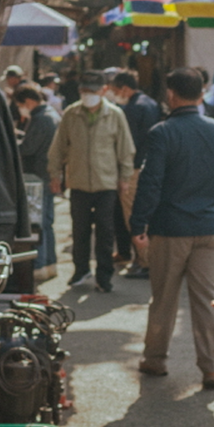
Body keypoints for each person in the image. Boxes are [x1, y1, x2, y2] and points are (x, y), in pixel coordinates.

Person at [131, 67, 214, 389]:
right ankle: (213, 368)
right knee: (207, 300)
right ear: (202, 93)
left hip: (171, 228)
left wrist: (138, 224)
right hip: (211, 228)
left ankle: (155, 359)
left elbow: (151, 183)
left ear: (171, 95)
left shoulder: (162, 132)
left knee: (164, 298)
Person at [47, 71, 135, 291]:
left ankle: (104, 276)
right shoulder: (71, 114)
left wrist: (125, 178)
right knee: (80, 231)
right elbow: (58, 148)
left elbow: (125, 150)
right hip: (78, 183)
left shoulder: (115, 115)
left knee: (105, 232)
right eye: (85, 91)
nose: (89, 95)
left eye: (93, 91)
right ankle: (80, 270)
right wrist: (54, 174)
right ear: (80, 91)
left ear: (104, 91)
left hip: (106, 184)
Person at [110, 69, 161, 278]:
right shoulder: (151, 103)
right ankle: (145, 259)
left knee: (133, 214)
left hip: (134, 168)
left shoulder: (132, 109)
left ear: (124, 88)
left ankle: (145, 261)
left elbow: (127, 143)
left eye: (116, 90)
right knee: (145, 212)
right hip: (150, 164)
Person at [14, 85, 61, 282]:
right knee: (46, 222)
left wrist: (15, 142)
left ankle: (40, 264)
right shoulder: (50, 114)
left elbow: (28, 148)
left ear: (29, 102)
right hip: (46, 174)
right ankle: (49, 263)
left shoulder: (42, 118)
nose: (21, 110)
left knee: (38, 223)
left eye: (20, 106)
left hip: (39, 176)